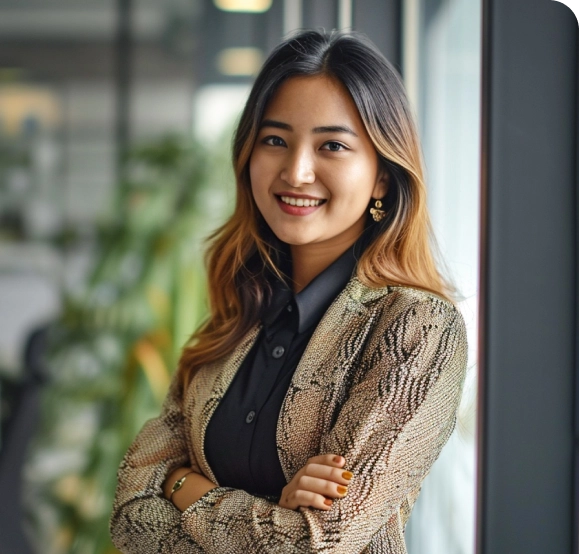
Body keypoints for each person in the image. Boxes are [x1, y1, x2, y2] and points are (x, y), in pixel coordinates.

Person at [110, 29, 468, 554]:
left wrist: (183, 487)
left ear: (383, 178)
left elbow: (313, 542)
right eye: (275, 139)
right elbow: (129, 515)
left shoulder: (418, 330)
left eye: (332, 146)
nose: (296, 171)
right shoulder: (235, 315)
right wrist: (271, 509)